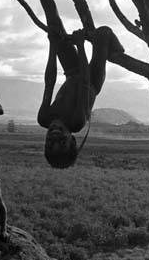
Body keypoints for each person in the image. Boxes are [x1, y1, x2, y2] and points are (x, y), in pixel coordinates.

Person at [38, 25, 124, 168]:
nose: (54, 135)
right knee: (104, 32)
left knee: (55, 28)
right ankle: (118, 49)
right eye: (62, 141)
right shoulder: (76, 121)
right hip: (92, 80)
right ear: (72, 140)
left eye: (50, 142)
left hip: (72, 73)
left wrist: (53, 45)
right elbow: (85, 82)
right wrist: (80, 45)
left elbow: (49, 83)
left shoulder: (44, 117)